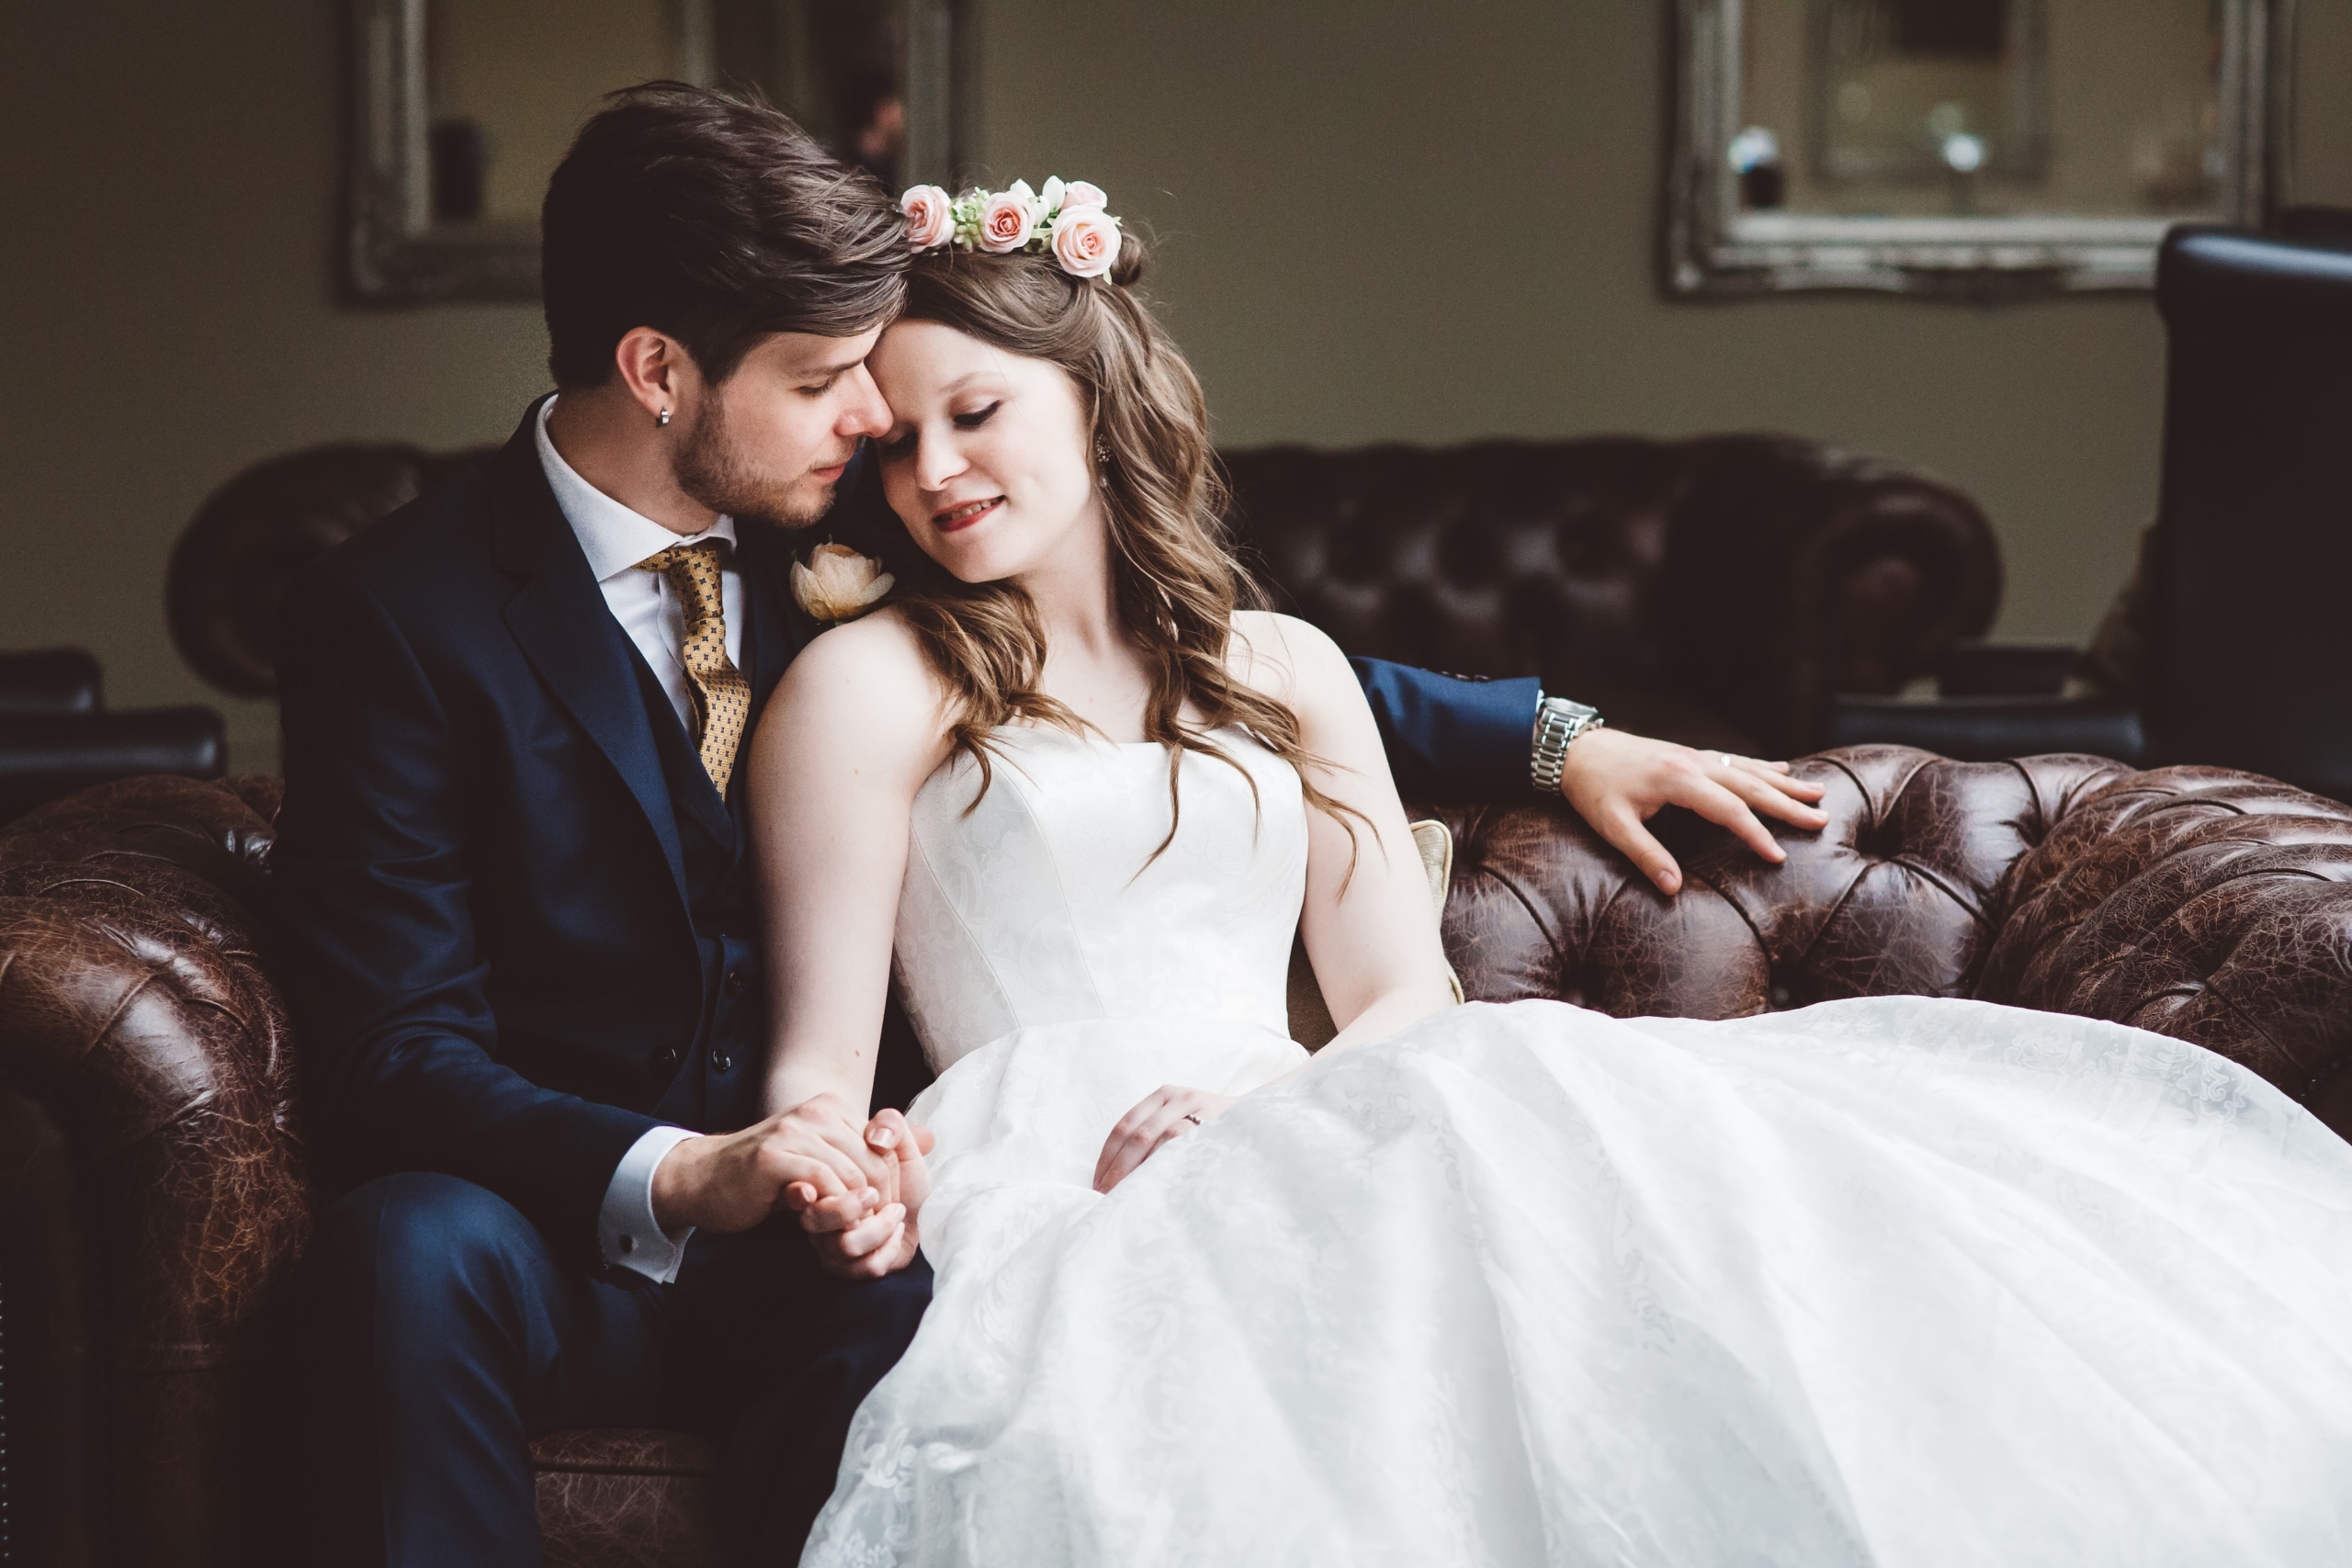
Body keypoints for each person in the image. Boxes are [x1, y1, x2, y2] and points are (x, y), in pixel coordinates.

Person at [271, 86, 1815, 1566]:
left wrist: (1555, 737)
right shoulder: (405, 619)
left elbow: (1185, 680)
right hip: (616, 1211)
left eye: (913, 395)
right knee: (409, 1249)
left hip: (870, 1219)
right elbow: (395, 1048)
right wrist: (694, 1171)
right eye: (832, 385)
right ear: (660, 370)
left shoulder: (834, 525)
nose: (884, 428)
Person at [754, 186, 2352, 1565]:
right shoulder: (872, 685)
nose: (935, 474)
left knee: (1664, 1255)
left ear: (1092, 400)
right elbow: (818, 1059)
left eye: (979, 413)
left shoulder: (1284, 668)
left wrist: (1264, 1109)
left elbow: (1392, 992)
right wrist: (838, 1179)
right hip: (1048, 1149)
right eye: (894, 446)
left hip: (1300, 1101)